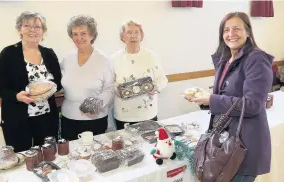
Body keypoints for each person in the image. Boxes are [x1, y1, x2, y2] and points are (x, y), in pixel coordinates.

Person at [187, 12, 273, 182]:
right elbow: (224, 95)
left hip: (243, 146)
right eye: (226, 30)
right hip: (224, 143)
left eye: (236, 29)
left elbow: (252, 105)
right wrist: (203, 99)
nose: (230, 34)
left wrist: (211, 100)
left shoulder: (256, 58)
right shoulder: (225, 59)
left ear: (248, 32)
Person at [0, 11, 62, 152]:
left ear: (43, 31)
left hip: (46, 117)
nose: (32, 30)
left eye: (37, 26)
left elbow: (58, 81)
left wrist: (51, 87)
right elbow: (0, 87)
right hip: (18, 118)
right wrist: (17, 96)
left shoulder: (49, 54)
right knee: (22, 158)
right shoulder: (8, 53)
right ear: (20, 29)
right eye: (27, 25)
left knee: (48, 154)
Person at [60, 15, 114, 140]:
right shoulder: (67, 59)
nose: (79, 38)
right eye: (75, 34)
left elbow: (110, 89)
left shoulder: (104, 60)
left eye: (83, 33)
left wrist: (95, 105)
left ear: (92, 35)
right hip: (69, 118)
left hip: (95, 118)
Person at [112, 20, 168, 130]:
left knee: (149, 144)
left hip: (147, 113)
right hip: (124, 114)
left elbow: (162, 79)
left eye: (136, 32)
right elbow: (109, 83)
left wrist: (156, 88)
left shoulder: (151, 56)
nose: (133, 35)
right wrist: (116, 89)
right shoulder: (114, 58)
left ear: (141, 36)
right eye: (129, 32)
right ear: (122, 36)